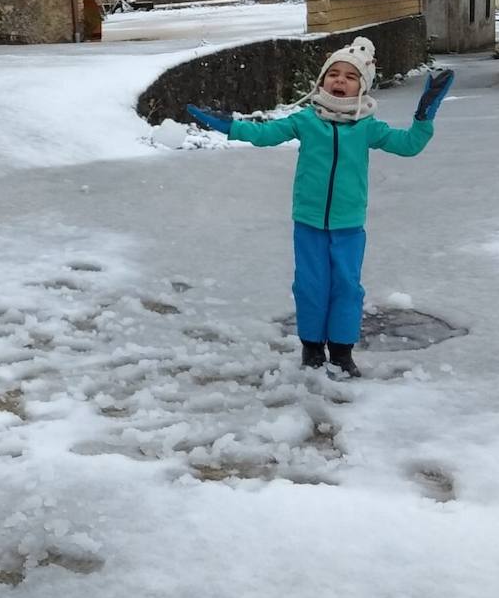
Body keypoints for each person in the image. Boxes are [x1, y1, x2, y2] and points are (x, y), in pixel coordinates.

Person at [187, 37, 454, 378]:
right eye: (334, 74)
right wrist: (230, 125)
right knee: (310, 285)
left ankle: (342, 352)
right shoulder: (306, 120)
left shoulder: (366, 127)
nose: (340, 81)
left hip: (348, 223)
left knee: (346, 286)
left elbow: (409, 145)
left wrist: (425, 114)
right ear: (322, 81)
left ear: (362, 86)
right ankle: (312, 348)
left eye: (350, 76)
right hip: (309, 221)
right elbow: (267, 134)